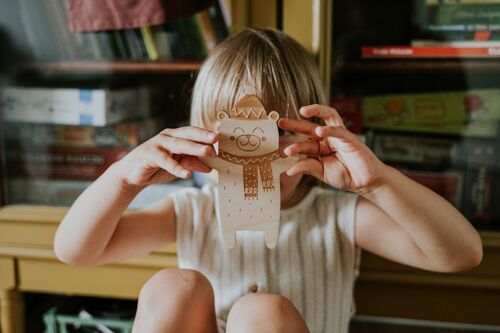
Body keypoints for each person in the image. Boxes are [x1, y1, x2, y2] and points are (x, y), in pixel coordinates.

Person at [54, 29, 483, 333]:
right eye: (232, 136)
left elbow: (460, 255)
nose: (256, 155)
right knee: (173, 286)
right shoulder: (193, 211)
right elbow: (76, 251)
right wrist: (124, 179)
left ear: (315, 133)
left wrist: (377, 183)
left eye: (275, 134)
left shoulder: (337, 217)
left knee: (263, 315)